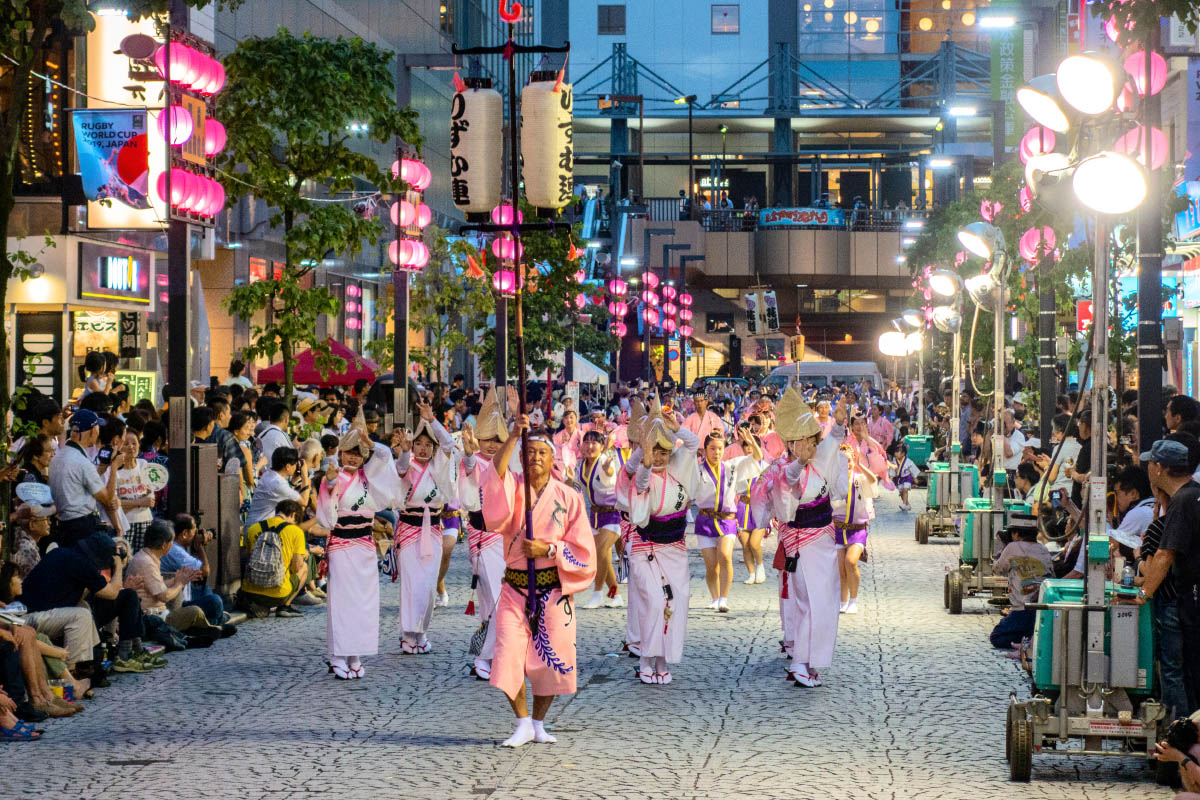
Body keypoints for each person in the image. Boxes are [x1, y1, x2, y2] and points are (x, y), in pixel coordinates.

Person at [482, 415, 596, 747]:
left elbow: (583, 549)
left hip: (553, 588)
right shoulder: (513, 487)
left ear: (553, 458)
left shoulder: (568, 496)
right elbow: (494, 474)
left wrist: (549, 548)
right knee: (508, 653)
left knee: (552, 660)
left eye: (542, 453)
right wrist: (514, 435)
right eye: (529, 452)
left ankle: (538, 721)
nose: (535, 458)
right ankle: (521, 722)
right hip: (514, 587)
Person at [751, 389, 849, 688]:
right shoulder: (782, 468)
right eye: (803, 440)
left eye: (813, 439)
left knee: (824, 603)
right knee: (808, 603)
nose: (810, 445)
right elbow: (784, 488)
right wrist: (796, 464)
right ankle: (800, 662)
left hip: (823, 543)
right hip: (801, 546)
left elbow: (835, 442)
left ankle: (809, 662)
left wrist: (842, 423)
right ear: (792, 443)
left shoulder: (820, 459)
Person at [315, 428, 400, 679]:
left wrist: (370, 443)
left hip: (364, 544)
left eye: (358, 454)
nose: (353, 458)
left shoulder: (367, 477)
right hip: (342, 545)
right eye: (348, 453)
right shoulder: (335, 477)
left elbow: (385, 459)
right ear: (340, 453)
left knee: (364, 603)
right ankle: (337, 655)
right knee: (342, 600)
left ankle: (355, 653)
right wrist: (330, 483)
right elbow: (326, 516)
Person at [623, 412, 700, 684]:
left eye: (664, 452)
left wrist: (678, 428)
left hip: (675, 548)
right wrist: (644, 456)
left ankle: (663, 659)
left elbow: (693, 445)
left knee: (676, 602)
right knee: (655, 603)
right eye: (654, 452)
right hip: (645, 548)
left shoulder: (678, 469)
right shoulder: (643, 475)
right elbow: (640, 480)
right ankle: (646, 658)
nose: (659, 457)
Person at [19, 531, 149, 673]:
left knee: (84, 607)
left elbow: (79, 595)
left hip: (29, 613)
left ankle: (91, 667)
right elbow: (112, 593)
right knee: (81, 615)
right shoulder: (82, 563)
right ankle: (75, 672)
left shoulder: (64, 553)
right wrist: (118, 565)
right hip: (29, 619)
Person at [1135, 437, 1200, 715]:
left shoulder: (1183, 501)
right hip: (1190, 596)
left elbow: (1164, 555)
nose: (1148, 468)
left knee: (1175, 669)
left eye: (1150, 463)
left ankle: (1180, 734)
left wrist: (1143, 595)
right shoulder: (1192, 493)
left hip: (1188, 598)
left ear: (1159, 468)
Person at [393, 403, 460, 654]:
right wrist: (405, 452)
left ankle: (422, 631)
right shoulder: (407, 465)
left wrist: (432, 422)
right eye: (418, 444)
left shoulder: (439, 467)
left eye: (427, 445)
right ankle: (407, 634)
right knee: (411, 583)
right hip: (409, 529)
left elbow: (449, 446)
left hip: (432, 529)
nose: (422, 449)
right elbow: (400, 469)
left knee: (429, 585)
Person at [693, 427, 765, 612]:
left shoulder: (732, 466)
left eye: (720, 448)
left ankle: (724, 598)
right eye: (712, 448)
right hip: (705, 520)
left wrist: (751, 442)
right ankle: (715, 597)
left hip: (727, 520)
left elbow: (756, 458)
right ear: (705, 450)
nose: (716, 453)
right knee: (711, 566)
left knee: (725, 555)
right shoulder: (698, 471)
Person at [126, 519, 219, 637]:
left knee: (207, 599)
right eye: (171, 542)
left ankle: (205, 628)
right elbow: (164, 596)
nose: (172, 545)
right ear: (164, 545)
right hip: (154, 618)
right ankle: (211, 627)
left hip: (159, 614)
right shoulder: (146, 562)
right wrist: (180, 582)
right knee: (196, 611)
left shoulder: (147, 557)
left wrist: (177, 578)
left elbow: (158, 585)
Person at [49, 409, 121, 547]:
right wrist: (114, 467)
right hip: (82, 526)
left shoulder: (58, 457)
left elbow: (76, 482)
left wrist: (100, 470)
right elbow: (107, 499)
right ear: (93, 431)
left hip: (64, 525)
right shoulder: (82, 462)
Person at [837, 413, 884, 614]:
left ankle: (853, 600)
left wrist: (865, 447)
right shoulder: (844, 444)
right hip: (839, 525)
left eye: (862, 424)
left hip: (858, 514)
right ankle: (842, 600)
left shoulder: (870, 443)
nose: (858, 427)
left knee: (850, 561)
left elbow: (879, 467)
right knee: (840, 568)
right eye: (855, 424)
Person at [575, 429, 625, 610]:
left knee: (600, 552)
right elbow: (575, 485)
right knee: (603, 556)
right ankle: (616, 594)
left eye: (594, 442)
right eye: (586, 442)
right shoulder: (581, 465)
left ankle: (597, 594)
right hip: (595, 514)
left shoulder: (605, 461)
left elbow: (610, 474)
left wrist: (608, 470)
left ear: (602, 446)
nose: (589, 446)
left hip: (613, 512)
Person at [989, 513, 1053, 649]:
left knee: (997, 637)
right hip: (1041, 606)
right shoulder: (1043, 549)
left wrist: (1001, 550)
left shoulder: (1013, 547)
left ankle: (1023, 643)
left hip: (1022, 608)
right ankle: (1029, 639)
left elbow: (998, 569)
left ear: (1016, 534)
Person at [239, 500, 310, 618]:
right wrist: (302, 556)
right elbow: (295, 567)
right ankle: (284, 606)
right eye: (295, 521)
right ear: (293, 515)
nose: (294, 524)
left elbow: (249, 558)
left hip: (250, 592)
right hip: (278, 595)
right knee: (304, 567)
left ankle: (259, 604)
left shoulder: (253, 528)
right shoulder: (296, 532)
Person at [246, 447, 311, 528]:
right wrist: (305, 476)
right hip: (258, 531)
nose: (296, 466)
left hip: (255, 526)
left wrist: (293, 481)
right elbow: (304, 501)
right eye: (294, 464)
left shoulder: (269, 475)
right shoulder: (278, 484)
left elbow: (283, 495)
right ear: (287, 467)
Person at [115, 431, 156, 552]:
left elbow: (150, 499)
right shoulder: (115, 470)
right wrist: (140, 502)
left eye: (134, 443)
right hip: (124, 523)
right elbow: (115, 503)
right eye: (126, 444)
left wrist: (128, 504)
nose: (131, 447)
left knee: (142, 558)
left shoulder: (143, 464)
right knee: (123, 559)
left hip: (145, 521)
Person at [256, 402, 293, 467]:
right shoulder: (281, 435)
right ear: (287, 419)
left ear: (269, 417)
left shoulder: (261, 435)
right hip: (278, 475)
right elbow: (292, 461)